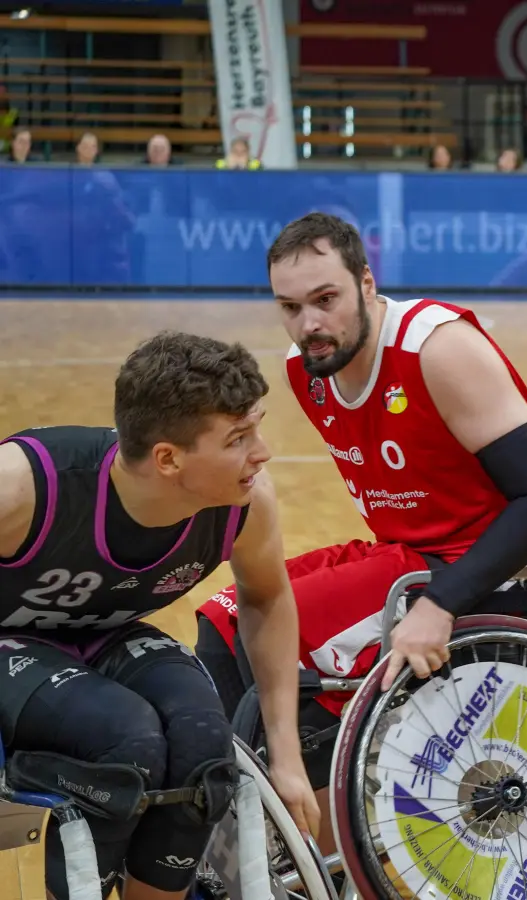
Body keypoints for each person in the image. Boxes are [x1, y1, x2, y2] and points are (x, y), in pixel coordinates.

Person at [193, 211, 527, 850]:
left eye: (326, 299)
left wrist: (441, 602)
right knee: (226, 617)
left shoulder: (437, 348)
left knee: (285, 645)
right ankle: (250, 834)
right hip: (407, 556)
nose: (309, 324)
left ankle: (313, 848)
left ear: (367, 285)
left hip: (499, 568)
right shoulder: (304, 370)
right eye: (290, 307)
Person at [0, 332, 316, 900]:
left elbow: (266, 600)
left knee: (203, 746)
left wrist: (287, 758)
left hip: (107, 634)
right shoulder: (24, 486)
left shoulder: (246, 505)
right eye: (239, 438)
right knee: (128, 742)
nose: (263, 452)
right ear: (168, 458)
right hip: (8, 641)